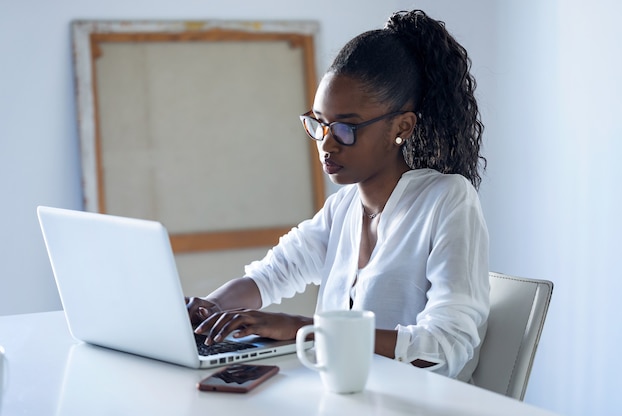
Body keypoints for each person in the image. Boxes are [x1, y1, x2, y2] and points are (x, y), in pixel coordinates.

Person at [186, 9, 489, 382]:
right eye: (320, 123)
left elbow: (446, 347)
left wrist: (305, 328)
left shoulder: (446, 200)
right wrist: (208, 309)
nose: (327, 143)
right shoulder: (343, 209)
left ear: (403, 126)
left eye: (346, 128)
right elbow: (273, 274)